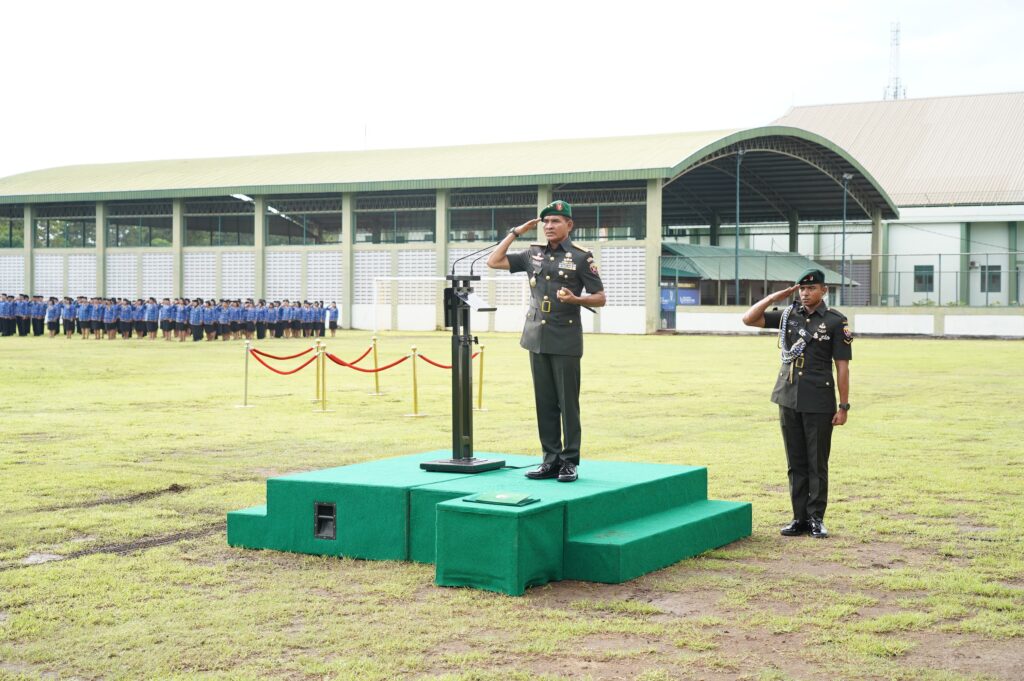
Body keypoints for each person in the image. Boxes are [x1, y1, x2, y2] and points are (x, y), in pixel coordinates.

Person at [487, 200, 606, 483]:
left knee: (567, 403)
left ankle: (569, 462)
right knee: (544, 403)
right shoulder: (532, 254)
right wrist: (516, 231)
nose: (550, 226)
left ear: (569, 225)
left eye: (556, 221)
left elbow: (600, 297)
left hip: (564, 337)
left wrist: (576, 299)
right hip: (535, 337)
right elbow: (494, 261)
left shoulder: (580, 257)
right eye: (546, 222)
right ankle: (550, 460)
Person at [741, 268, 853, 539]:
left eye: (811, 288)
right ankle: (799, 518)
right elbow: (748, 319)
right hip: (788, 396)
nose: (805, 293)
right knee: (795, 461)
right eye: (801, 288)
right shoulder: (788, 315)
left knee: (817, 462)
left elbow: (842, 367)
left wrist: (844, 406)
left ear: (824, 290)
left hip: (818, 398)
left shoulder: (836, 322)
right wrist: (773, 297)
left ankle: (816, 519)